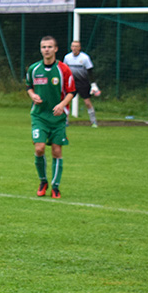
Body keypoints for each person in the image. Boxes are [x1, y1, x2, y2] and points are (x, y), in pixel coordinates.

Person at [26, 36, 76, 199]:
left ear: (56, 49)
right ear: (40, 49)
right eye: (43, 47)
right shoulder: (34, 69)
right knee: (39, 148)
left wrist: (62, 105)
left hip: (58, 117)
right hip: (39, 116)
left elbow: (71, 92)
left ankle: (55, 186)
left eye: (49, 47)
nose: (46, 49)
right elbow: (29, 86)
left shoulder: (64, 70)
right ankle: (43, 181)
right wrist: (32, 95)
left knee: (56, 151)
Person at [63, 40, 101, 128]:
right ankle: (65, 121)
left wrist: (93, 84)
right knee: (66, 101)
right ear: (71, 47)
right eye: (73, 46)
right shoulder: (67, 57)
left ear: (79, 48)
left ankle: (94, 121)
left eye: (76, 46)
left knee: (87, 102)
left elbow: (90, 71)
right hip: (72, 83)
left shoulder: (85, 58)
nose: (74, 48)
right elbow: (64, 71)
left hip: (83, 83)